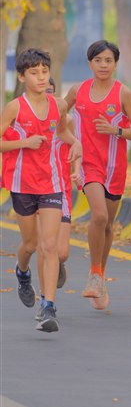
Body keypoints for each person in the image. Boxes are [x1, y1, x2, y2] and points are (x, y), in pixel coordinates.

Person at [0, 49, 82, 332]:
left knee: (50, 246)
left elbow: (62, 133)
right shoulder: (14, 107)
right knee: (30, 245)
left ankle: (48, 306)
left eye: (44, 72)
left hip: (52, 182)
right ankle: (22, 272)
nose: (41, 77)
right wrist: (24, 143)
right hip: (22, 183)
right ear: (22, 77)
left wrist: (75, 143)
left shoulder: (58, 105)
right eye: (34, 73)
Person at [65, 40, 131, 311]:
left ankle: (99, 276)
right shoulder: (78, 91)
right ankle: (94, 274)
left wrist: (116, 130)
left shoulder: (124, 93)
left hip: (114, 167)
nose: (103, 65)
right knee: (99, 216)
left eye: (108, 60)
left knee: (108, 225)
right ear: (90, 64)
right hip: (89, 165)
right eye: (98, 60)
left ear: (115, 64)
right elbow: (57, 115)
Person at [36, 77, 82, 320]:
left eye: (52, 91)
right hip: (33, 187)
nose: (48, 95)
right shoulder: (27, 118)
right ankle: (45, 301)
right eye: (44, 91)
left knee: (61, 252)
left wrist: (77, 170)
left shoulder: (66, 120)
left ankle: (58, 264)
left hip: (59, 187)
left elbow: (75, 146)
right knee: (44, 246)